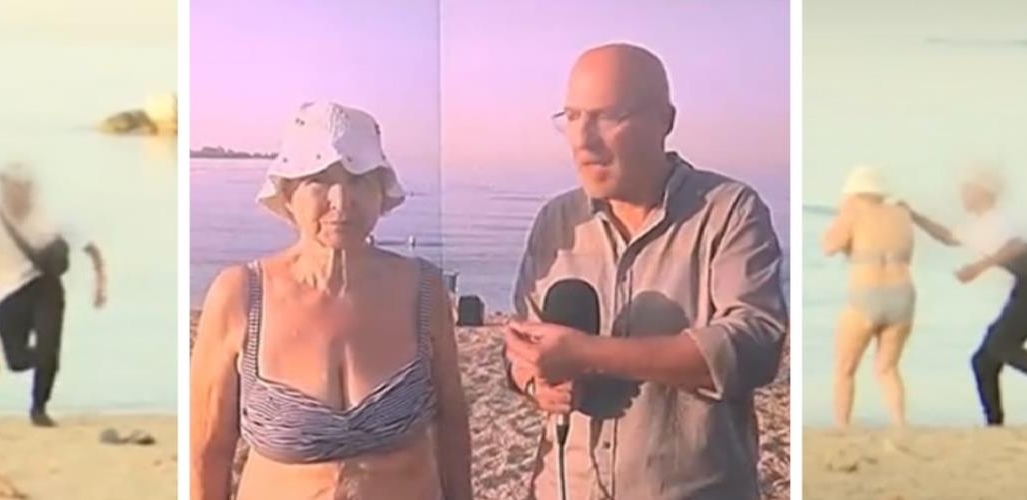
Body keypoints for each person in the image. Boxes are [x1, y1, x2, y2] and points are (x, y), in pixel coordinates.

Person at [504, 44, 787, 499]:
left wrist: (588, 353)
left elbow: (754, 347)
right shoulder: (555, 221)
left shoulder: (729, 212)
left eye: (608, 117)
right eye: (572, 117)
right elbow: (520, 347)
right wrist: (536, 381)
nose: (583, 140)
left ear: (664, 121)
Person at [190, 101, 473, 500]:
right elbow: (207, 449)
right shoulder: (241, 295)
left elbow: (452, 424)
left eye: (359, 180)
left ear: (381, 192)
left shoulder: (423, 289)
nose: (341, 201)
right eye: (318, 180)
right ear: (288, 193)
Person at [907, 167, 1027, 425]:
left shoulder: (1002, 218)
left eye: (968, 190)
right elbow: (947, 237)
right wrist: (913, 216)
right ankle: (994, 423)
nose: (962, 195)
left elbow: (1017, 246)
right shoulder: (975, 226)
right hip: (1025, 290)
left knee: (1002, 346)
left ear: (985, 193)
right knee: (983, 360)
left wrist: (979, 267)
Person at [0, 163, 108, 427]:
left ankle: (39, 408)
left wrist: (100, 284)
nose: (11, 193)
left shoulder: (50, 219)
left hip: (47, 288)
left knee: (48, 348)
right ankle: (44, 360)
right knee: (16, 361)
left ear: (29, 190)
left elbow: (91, 249)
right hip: (7, 295)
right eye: (7, 188)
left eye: (17, 187)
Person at [822, 166, 915, 427]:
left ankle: (842, 426)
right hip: (903, 294)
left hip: (866, 295)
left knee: (845, 369)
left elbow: (829, 245)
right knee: (888, 368)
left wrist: (843, 214)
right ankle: (899, 423)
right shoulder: (902, 214)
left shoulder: (853, 212)